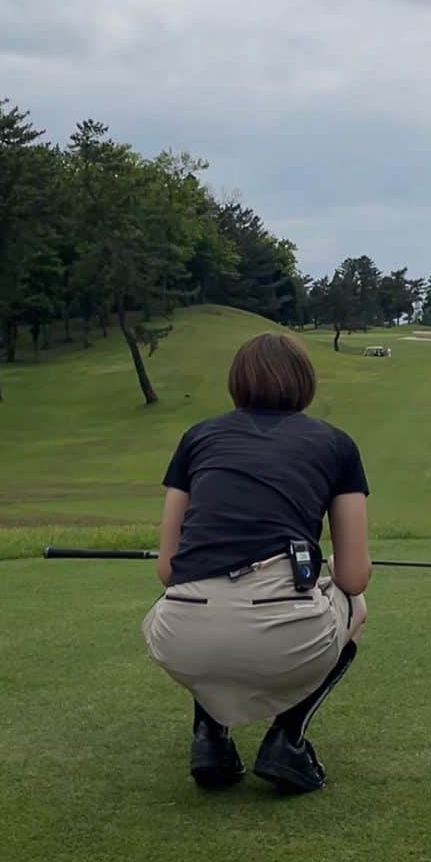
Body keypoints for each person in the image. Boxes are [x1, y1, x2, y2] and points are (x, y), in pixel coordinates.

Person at [142, 332, 371, 794]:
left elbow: (167, 569)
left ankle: (210, 738)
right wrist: (325, 567)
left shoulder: (198, 438)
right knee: (357, 605)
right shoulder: (337, 445)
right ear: (305, 383)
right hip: (286, 633)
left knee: (198, 601)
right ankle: (287, 739)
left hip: (180, 635)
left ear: (236, 382)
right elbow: (352, 576)